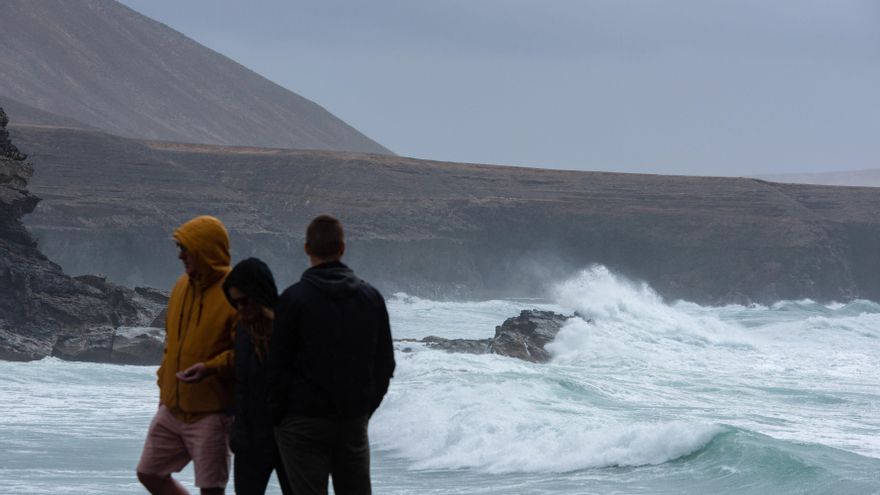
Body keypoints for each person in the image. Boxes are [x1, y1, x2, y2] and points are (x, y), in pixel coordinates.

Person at [268, 214, 396, 495]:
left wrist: (281, 417)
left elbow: (276, 365)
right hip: (351, 419)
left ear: (306, 249)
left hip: (302, 420)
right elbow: (385, 363)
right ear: (342, 248)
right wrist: (365, 408)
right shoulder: (370, 297)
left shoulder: (293, 299)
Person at [137, 215, 238, 495]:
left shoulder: (234, 292)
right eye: (179, 248)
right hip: (172, 406)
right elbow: (171, 348)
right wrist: (163, 395)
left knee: (211, 489)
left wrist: (211, 367)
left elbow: (247, 354)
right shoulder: (181, 286)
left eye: (186, 248)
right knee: (149, 473)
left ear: (205, 250)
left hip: (213, 412)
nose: (181, 255)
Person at [222, 258, 293, 495]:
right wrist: (238, 433)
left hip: (289, 441)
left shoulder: (291, 325)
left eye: (245, 301)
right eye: (235, 303)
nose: (240, 308)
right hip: (249, 443)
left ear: (260, 294)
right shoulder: (242, 331)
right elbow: (241, 386)